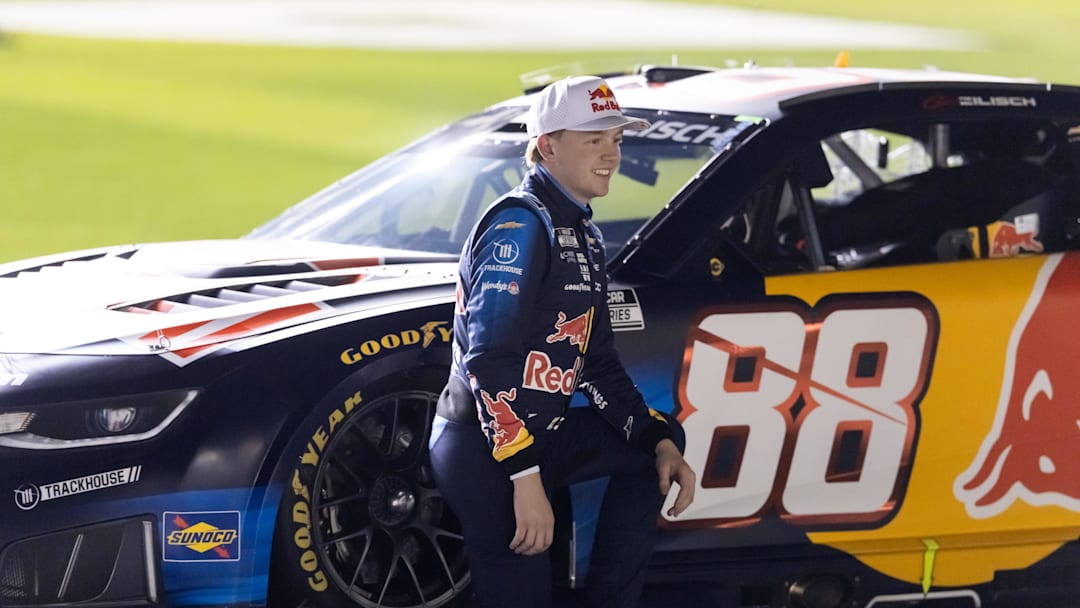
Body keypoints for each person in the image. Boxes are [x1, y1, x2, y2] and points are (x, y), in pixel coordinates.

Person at [428, 75, 697, 608]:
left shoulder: (584, 232)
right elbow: (487, 360)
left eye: (616, 139)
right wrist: (524, 477)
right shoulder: (521, 223)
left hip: (543, 434)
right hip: (488, 449)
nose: (611, 154)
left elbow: (595, 362)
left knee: (658, 444)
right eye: (592, 139)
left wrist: (654, 440)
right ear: (547, 145)